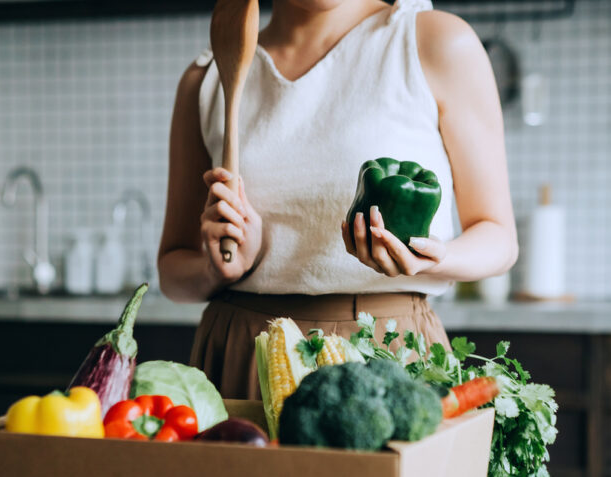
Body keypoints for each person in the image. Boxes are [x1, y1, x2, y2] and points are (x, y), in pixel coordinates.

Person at [158, 0, 518, 400]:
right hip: (243, 358)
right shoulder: (208, 77)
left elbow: (499, 237)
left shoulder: (433, 41)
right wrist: (217, 270)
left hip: (388, 353)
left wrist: (433, 258)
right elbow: (173, 270)